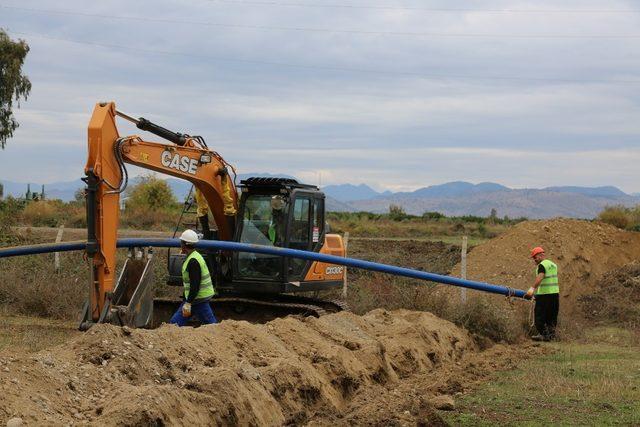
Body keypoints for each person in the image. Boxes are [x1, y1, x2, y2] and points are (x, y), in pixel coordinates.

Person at [169, 229, 218, 326]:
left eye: (181, 243)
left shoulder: (193, 261)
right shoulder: (195, 256)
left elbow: (195, 285)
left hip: (198, 299)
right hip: (195, 299)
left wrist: (188, 302)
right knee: (174, 324)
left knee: (212, 327)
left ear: (184, 244)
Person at [526, 246, 559, 341]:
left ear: (540, 256)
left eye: (534, 257)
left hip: (544, 295)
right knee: (551, 317)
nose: (534, 260)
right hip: (555, 294)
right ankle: (551, 336)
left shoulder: (542, 265)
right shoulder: (553, 264)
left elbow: (540, 277)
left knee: (539, 316)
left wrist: (532, 288)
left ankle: (543, 334)